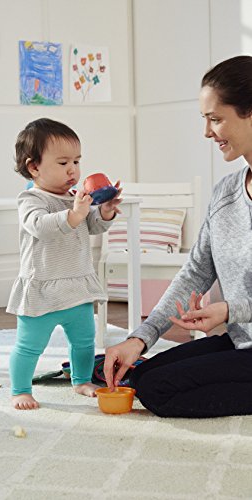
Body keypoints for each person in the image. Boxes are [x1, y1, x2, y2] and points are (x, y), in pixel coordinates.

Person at [104, 55, 252, 418]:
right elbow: (195, 272)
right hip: (241, 341)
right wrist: (141, 337)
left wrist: (231, 309)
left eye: (215, 119)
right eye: (205, 120)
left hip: (240, 337)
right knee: (140, 374)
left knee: (159, 391)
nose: (207, 133)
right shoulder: (226, 193)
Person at [7, 117, 122, 410]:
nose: (73, 170)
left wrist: (104, 211)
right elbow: (40, 226)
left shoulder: (75, 198)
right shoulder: (31, 198)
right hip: (43, 288)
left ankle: (82, 379)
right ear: (34, 167)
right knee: (29, 345)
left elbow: (91, 226)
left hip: (76, 285)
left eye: (76, 161)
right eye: (62, 163)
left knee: (84, 340)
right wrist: (75, 214)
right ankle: (20, 389)